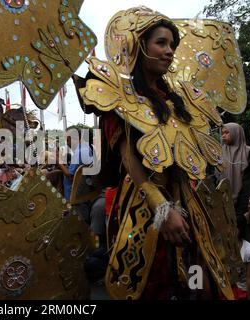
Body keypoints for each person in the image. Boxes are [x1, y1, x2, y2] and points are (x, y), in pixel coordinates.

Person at [75, 7, 236, 299]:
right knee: (152, 284)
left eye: (172, 45)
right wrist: (163, 209)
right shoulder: (117, 97)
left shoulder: (180, 100)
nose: (169, 51)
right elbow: (128, 159)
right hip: (144, 207)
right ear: (140, 47)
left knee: (198, 279)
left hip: (189, 205)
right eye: (161, 43)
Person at [220, 123, 250, 217]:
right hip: (225, 196)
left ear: (236, 133)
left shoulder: (248, 151)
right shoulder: (219, 152)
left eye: (227, 132)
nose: (223, 135)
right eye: (222, 133)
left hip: (245, 195)